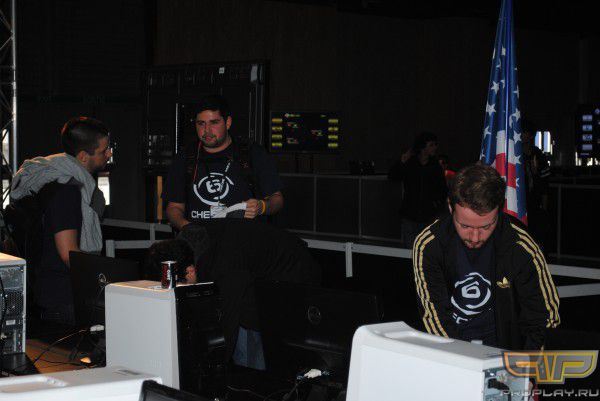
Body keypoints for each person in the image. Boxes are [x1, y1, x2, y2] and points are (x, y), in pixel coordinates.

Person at [412, 164, 559, 350]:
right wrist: (458, 359)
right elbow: (434, 315)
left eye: (486, 227)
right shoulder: (430, 244)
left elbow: (544, 316)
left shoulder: (520, 245)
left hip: (506, 352)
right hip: (451, 348)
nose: (475, 238)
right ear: (450, 207)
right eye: (465, 226)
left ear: (499, 210)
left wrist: (525, 365)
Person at [145, 219, 321, 369]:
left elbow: (228, 320)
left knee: (251, 326)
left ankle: (255, 380)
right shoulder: (191, 241)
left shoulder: (225, 266)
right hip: (260, 268)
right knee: (244, 318)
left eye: (181, 284)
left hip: (293, 273)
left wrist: (212, 368)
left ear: (189, 271)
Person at [10, 117, 111, 324]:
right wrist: (102, 281)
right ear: (83, 156)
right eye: (104, 151)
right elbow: (69, 254)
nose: (109, 154)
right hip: (63, 299)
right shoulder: (66, 191)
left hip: (52, 293)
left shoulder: (53, 178)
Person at [163, 94, 283, 229]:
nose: (207, 130)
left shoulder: (252, 153)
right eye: (201, 123)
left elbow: (277, 199)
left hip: (244, 238)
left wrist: (262, 207)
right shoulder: (185, 157)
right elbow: (174, 207)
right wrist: (188, 228)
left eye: (214, 123)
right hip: (201, 238)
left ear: (228, 122)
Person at [388, 131, 447, 247]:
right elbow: (393, 176)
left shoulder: (435, 166)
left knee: (426, 249)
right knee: (409, 249)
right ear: (422, 147)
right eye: (431, 145)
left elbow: (442, 190)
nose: (435, 147)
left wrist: (436, 206)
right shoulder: (410, 163)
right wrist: (402, 161)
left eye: (435, 144)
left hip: (428, 216)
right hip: (409, 214)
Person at [521, 120, 551, 251]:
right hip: (520, 203)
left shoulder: (539, 156)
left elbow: (545, 185)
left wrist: (544, 208)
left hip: (535, 204)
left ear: (531, 135)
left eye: (524, 132)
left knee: (537, 237)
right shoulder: (515, 155)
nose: (521, 135)